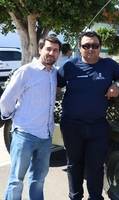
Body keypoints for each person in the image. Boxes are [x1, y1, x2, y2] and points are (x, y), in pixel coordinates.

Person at [57, 31, 119, 200]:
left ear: (100, 47)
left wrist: (117, 84)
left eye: (95, 45)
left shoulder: (109, 65)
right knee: (74, 164)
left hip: (98, 126)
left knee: (96, 166)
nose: (90, 49)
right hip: (71, 125)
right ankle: (75, 196)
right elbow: (54, 85)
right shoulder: (70, 66)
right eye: (86, 45)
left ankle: (95, 197)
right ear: (79, 47)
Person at [0, 35, 61, 200]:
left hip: (45, 137)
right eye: (48, 49)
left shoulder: (54, 74)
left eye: (55, 50)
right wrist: (11, 117)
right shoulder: (26, 71)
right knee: (16, 181)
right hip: (24, 135)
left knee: (38, 180)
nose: (51, 53)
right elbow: (6, 100)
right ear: (40, 49)